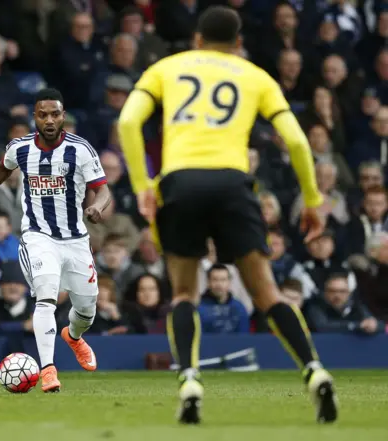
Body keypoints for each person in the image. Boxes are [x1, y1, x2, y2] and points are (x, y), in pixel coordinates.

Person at [117, 6, 338, 424]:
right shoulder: (255, 76)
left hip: (179, 182)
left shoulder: (167, 67)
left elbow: (128, 122)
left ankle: (189, 378)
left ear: (197, 39)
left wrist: (143, 186)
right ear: (238, 43)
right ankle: (315, 371)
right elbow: (295, 140)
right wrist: (311, 198)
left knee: (184, 293)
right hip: (234, 184)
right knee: (267, 293)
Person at [0, 88, 112, 393]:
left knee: (87, 310)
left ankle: (73, 337)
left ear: (63, 116)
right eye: (43, 114)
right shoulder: (20, 148)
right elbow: (2, 169)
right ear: (34, 117)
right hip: (38, 237)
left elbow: (103, 189)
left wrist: (96, 206)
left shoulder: (80, 150)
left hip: (76, 239)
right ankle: (48, 369)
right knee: (46, 298)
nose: (49, 120)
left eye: (54, 114)